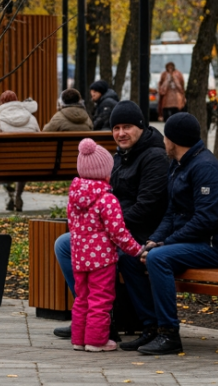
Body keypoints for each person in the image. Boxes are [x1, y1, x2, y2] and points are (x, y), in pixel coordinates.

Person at [116, 112, 218, 355]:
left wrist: (164, 244)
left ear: (174, 140)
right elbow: (171, 212)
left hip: (214, 248)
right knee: (130, 257)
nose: (163, 142)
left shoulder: (205, 168)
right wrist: (152, 241)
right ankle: (149, 327)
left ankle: (169, 334)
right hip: (191, 244)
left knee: (158, 257)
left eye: (166, 137)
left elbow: (205, 221)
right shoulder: (178, 165)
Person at [53, 99, 170, 341]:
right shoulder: (120, 155)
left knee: (117, 255)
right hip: (112, 229)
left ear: (140, 126)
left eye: (127, 127)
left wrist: (104, 225)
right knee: (65, 244)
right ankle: (89, 315)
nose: (120, 133)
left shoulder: (154, 157)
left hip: (140, 232)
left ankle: (102, 318)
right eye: (116, 128)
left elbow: (147, 207)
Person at [68, 138, 144, 352]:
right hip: (102, 259)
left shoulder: (74, 196)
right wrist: (136, 250)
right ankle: (96, 341)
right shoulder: (106, 199)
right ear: (105, 172)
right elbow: (118, 232)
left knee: (82, 298)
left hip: (79, 257)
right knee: (100, 300)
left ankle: (79, 339)